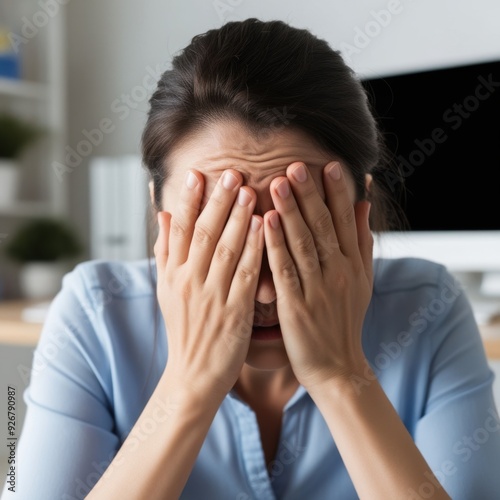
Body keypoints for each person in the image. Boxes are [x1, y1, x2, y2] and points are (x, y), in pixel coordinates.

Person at [2, 18, 500, 500]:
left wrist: (339, 375)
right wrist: (192, 382)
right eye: (221, 236)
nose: (263, 292)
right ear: (160, 212)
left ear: (358, 215)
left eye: (302, 236)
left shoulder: (428, 308)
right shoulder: (95, 312)